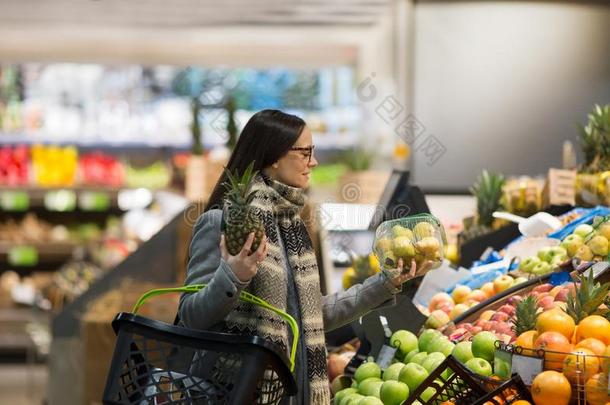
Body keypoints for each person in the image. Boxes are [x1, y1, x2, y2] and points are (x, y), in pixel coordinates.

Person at [178, 109, 428, 404]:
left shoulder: (291, 225)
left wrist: (385, 283)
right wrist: (233, 277)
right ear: (274, 157)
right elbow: (190, 317)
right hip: (235, 393)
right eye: (305, 152)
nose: (314, 162)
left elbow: (311, 317)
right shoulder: (222, 222)